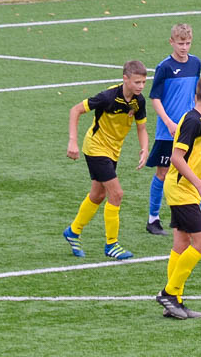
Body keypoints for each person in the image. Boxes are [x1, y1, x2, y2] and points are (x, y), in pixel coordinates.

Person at [63, 60, 149, 260]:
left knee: (98, 194)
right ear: (125, 79)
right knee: (116, 194)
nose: (141, 86)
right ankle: (111, 244)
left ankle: (73, 231)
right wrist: (72, 142)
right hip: (96, 148)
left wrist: (144, 149)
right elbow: (75, 110)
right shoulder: (107, 97)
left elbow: (142, 128)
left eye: (143, 82)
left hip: (112, 152)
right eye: (137, 82)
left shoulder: (139, 101)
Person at [155, 76, 201, 319]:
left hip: (187, 190)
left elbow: (199, 158)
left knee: (181, 244)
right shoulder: (193, 121)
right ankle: (169, 293)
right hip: (181, 190)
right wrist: (200, 188)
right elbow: (176, 158)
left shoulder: (200, 122)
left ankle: (174, 302)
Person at [144, 23, 201, 237]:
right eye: (180, 43)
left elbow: (195, 94)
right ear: (171, 42)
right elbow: (155, 98)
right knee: (163, 173)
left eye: (187, 43)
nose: (184, 47)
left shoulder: (195, 63)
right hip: (168, 130)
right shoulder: (164, 67)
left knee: (197, 168)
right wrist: (168, 122)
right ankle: (153, 218)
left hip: (189, 128)